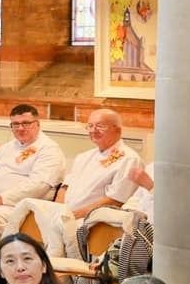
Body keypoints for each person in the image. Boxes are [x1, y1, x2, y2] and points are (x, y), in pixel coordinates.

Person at [10, 108, 145, 261]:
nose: (93, 130)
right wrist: (58, 211)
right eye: (90, 126)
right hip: (66, 215)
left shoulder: (129, 159)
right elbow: (65, 187)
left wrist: (72, 215)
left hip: (91, 221)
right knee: (25, 210)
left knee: (49, 242)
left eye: (100, 126)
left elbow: (115, 200)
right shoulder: (84, 156)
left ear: (117, 129)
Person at [0, 104, 67, 236]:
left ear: (37, 124)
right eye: (15, 124)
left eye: (26, 123)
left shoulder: (49, 150)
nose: (20, 128)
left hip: (22, 206)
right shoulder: (5, 148)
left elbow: (39, 186)